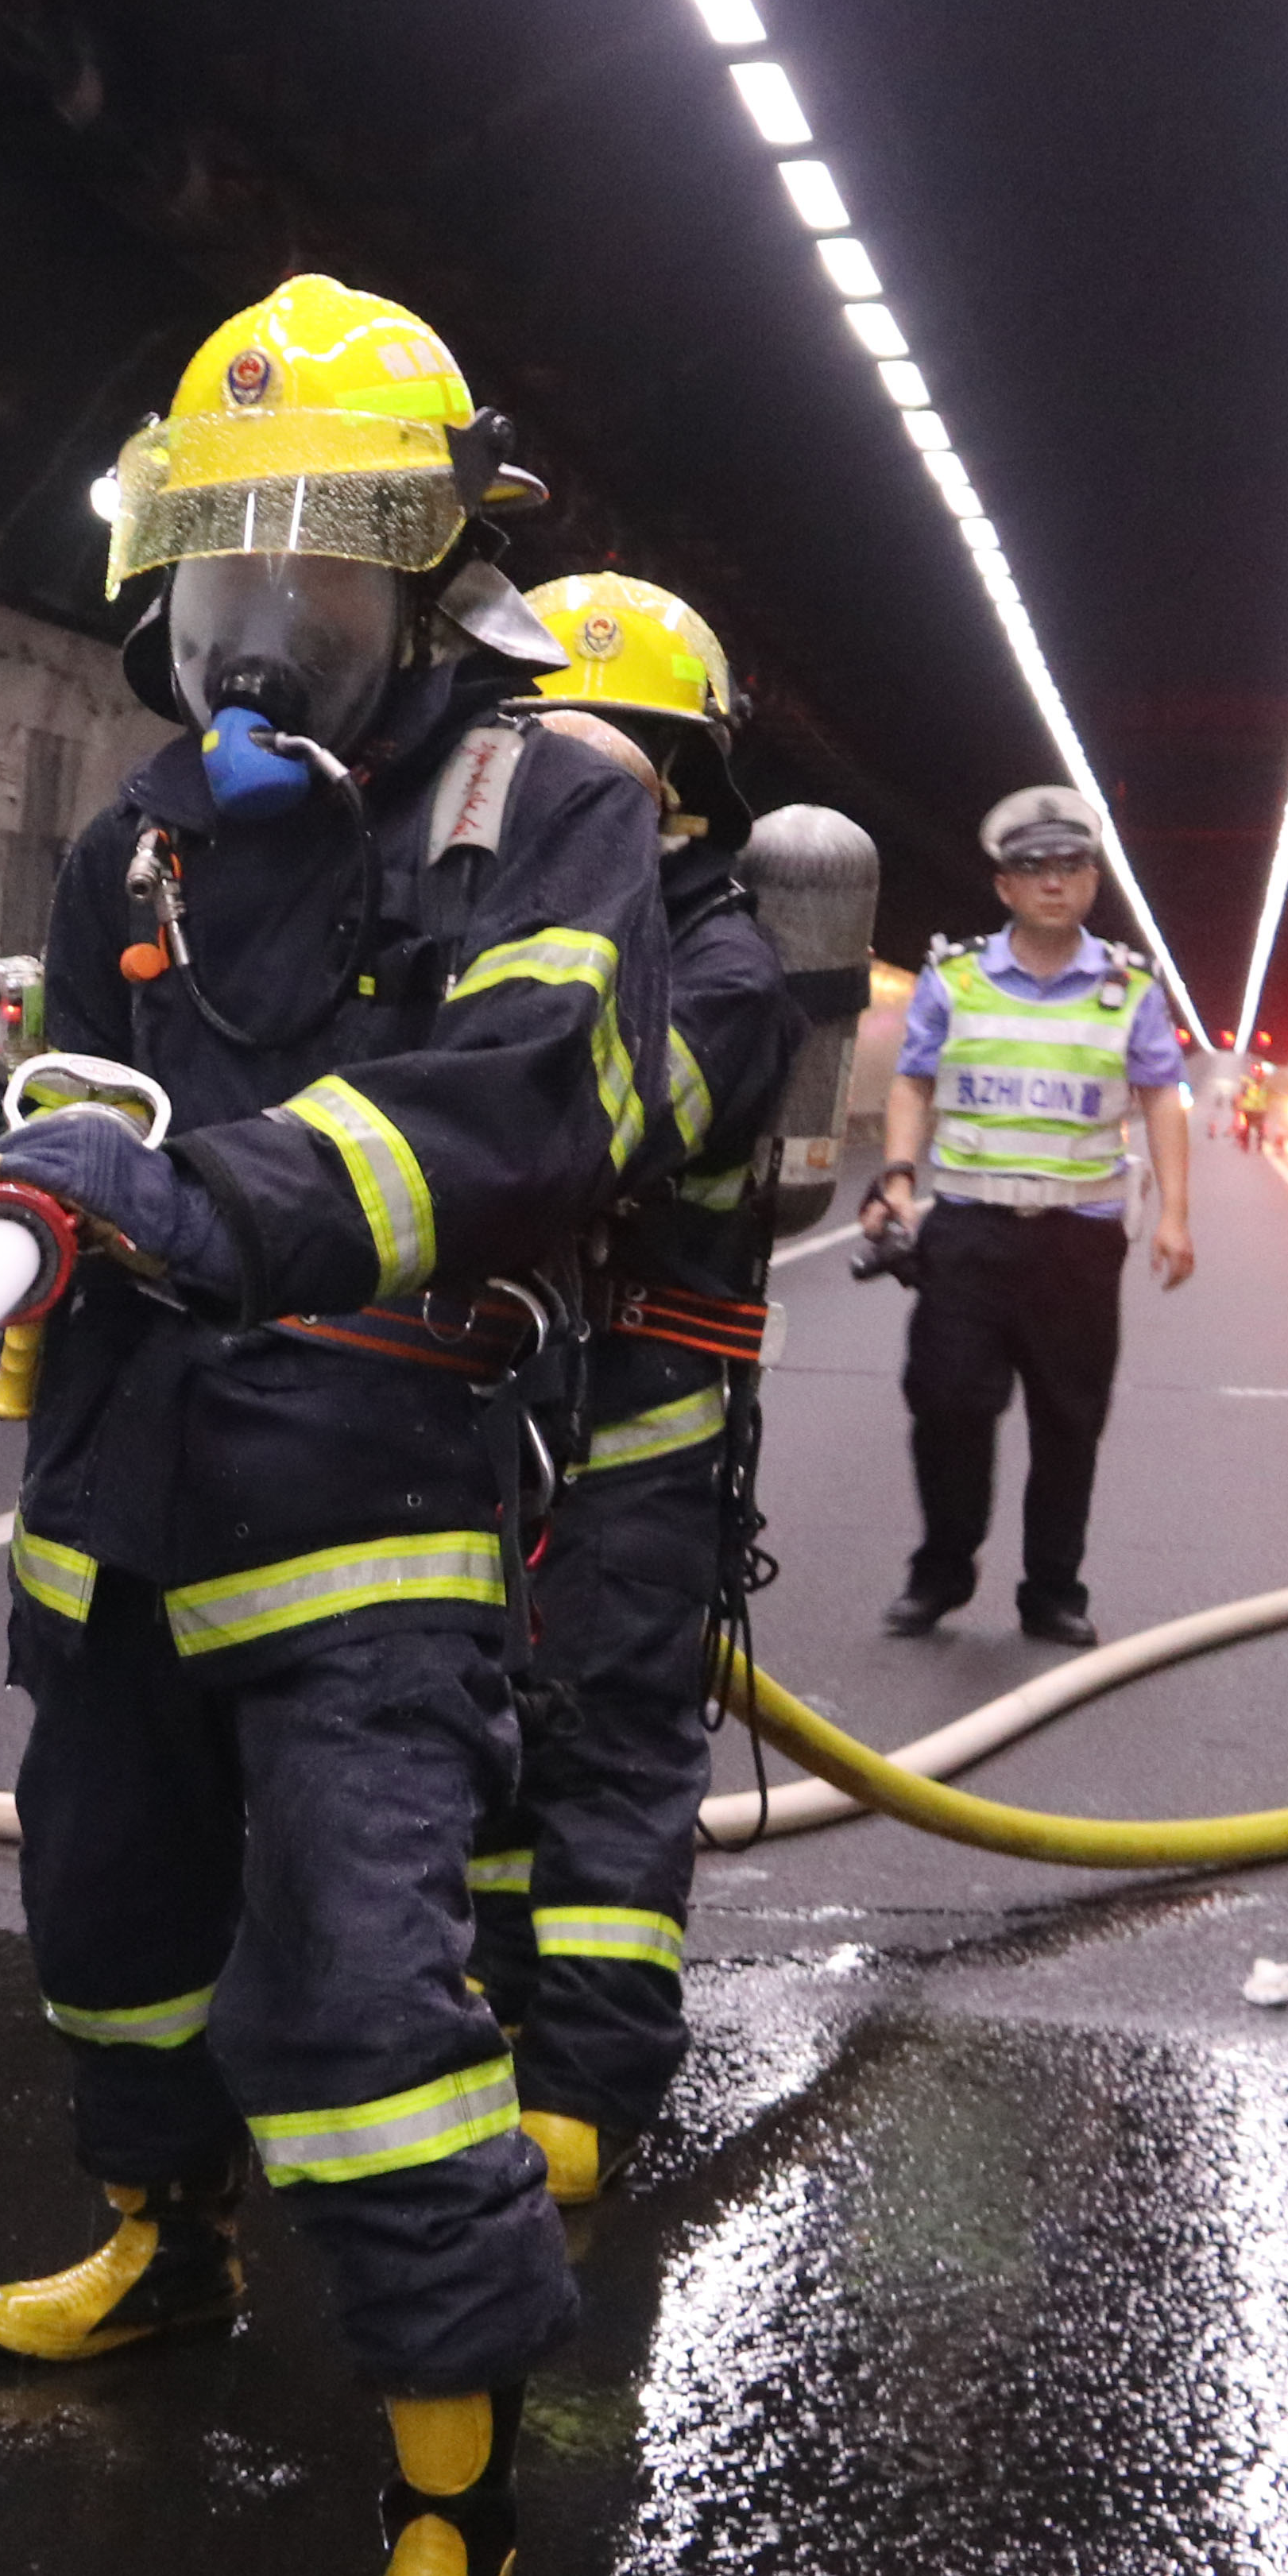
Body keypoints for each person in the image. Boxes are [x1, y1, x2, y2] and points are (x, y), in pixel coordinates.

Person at [0, 276, 671, 2576]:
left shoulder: (542, 797)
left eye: (315, 583)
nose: (257, 636)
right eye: (217, 580)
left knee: (361, 2015)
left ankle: (440, 2525)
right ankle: (157, 2241)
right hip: (120, 1490)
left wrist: (192, 1206)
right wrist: (27, 1170)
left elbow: (518, 1113)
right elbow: (69, 1071)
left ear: (434, 575)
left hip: (362, 1498)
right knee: (109, 1927)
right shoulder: (129, 830)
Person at [458, 576, 813, 2210]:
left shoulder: (728, 969)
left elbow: (572, 1134)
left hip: (643, 1417)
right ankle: (495, 2007)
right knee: (485, 1727)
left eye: (588, 758)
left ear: (669, 783)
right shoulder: (514, 923)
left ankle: (590, 2073)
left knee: (608, 1732)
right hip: (504, 1403)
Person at [865, 787, 1194, 1647]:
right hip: (968, 1235)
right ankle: (940, 1573)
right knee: (946, 1403)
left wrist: (1175, 1214)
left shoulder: (1128, 988)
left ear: (1093, 882)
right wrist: (899, 1175)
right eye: (1033, 869)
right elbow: (914, 1079)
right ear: (1005, 886)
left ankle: (1052, 1590)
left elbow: (1163, 1097)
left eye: (1071, 867)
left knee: (1068, 1418)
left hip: (1078, 1245)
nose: (1054, 882)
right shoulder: (955, 977)